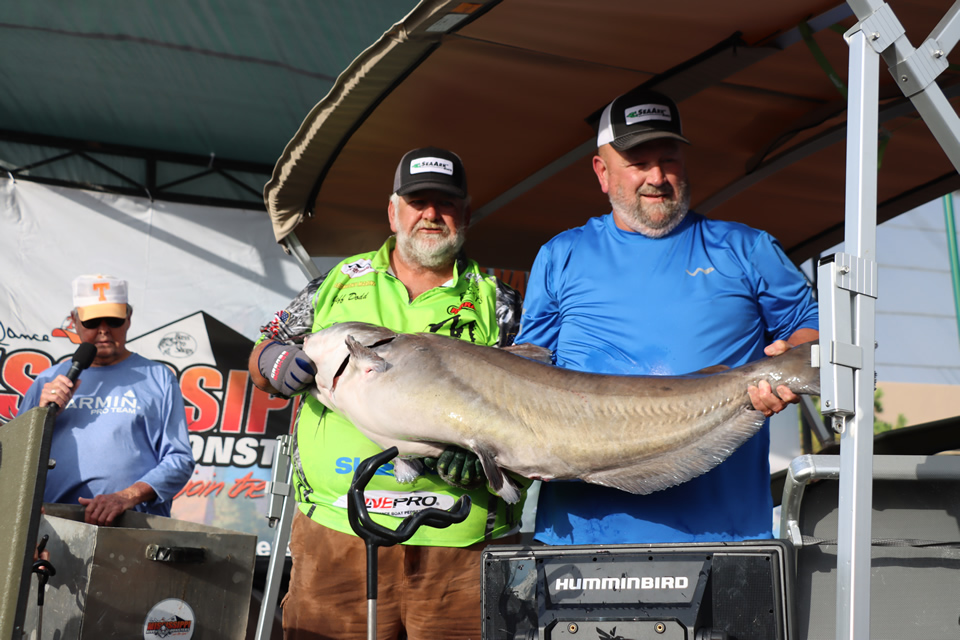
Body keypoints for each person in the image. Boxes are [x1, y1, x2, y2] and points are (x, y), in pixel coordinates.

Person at [515, 88, 819, 545]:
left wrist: (786, 366)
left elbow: (817, 336)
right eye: (638, 162)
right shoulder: (562, 255)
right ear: (602, 172)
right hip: (583, 536)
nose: (657, 177)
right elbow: (526, 371)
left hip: (724, 533)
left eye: (669, 159)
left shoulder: (746, 248)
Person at [248, 147, 526, 640]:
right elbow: (264, 348)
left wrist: (497, 467)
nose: (430, 215)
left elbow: (530, 411)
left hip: (458, 542)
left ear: (465, 214)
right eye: (418, 201)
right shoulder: (337, 283)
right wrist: (275, 362)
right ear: (393, 211)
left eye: (445, 203)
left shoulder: (497, 301)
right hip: (337, 533)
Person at [18, 275, 195, 526]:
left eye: (113, 319)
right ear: (74, 321)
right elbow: (15, 458)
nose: (103, 329)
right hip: (51, 528)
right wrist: (41, 416)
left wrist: (125, 497)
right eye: (91, 321)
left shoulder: (159, 378)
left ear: (128, 319)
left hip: (133, 526)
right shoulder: (48, 380)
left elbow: (179, 459)